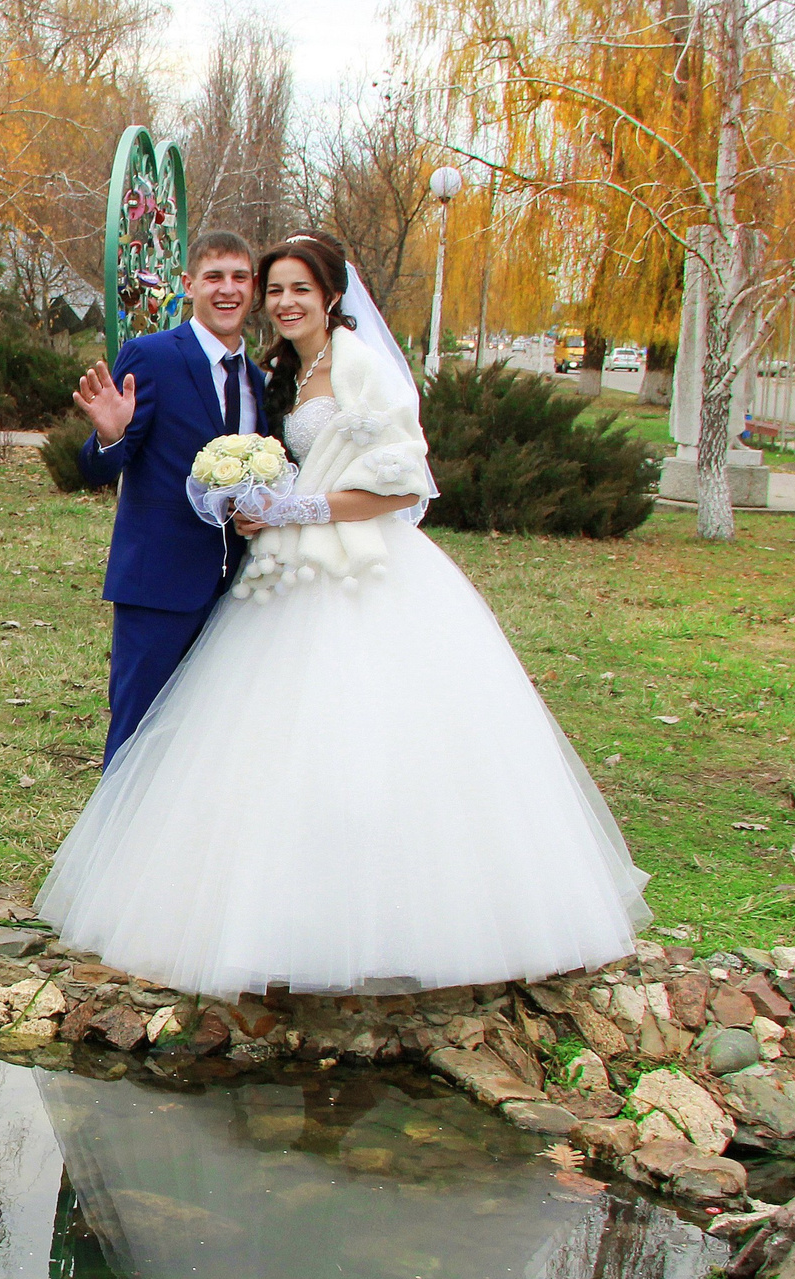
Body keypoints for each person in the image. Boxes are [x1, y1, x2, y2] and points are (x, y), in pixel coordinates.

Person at [37, 233, 648, 999]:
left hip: (345, 571)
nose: (275, 299)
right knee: (172, 738)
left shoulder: (339, 366)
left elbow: (403, 483)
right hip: (205, 577)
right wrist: (112, 433)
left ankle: (366, 916)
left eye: (288, 287)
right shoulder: (259, 369)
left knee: (355, 742)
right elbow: (114, 462)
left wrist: (294, 506)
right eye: (271, 287)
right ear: (194, 284)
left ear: (330, 294)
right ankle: (125, 883)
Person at [69, 232, 269, 762]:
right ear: (188, 286)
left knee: (207, 742)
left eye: (240, 278)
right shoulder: (153, 357)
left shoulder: (258, 379)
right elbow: (96, 468)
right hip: (158, 587)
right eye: (214, 277)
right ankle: (115, 846)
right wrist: (110, 435)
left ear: (253, 287)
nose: (228, 290)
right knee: (137, 735)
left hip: (236, 593)